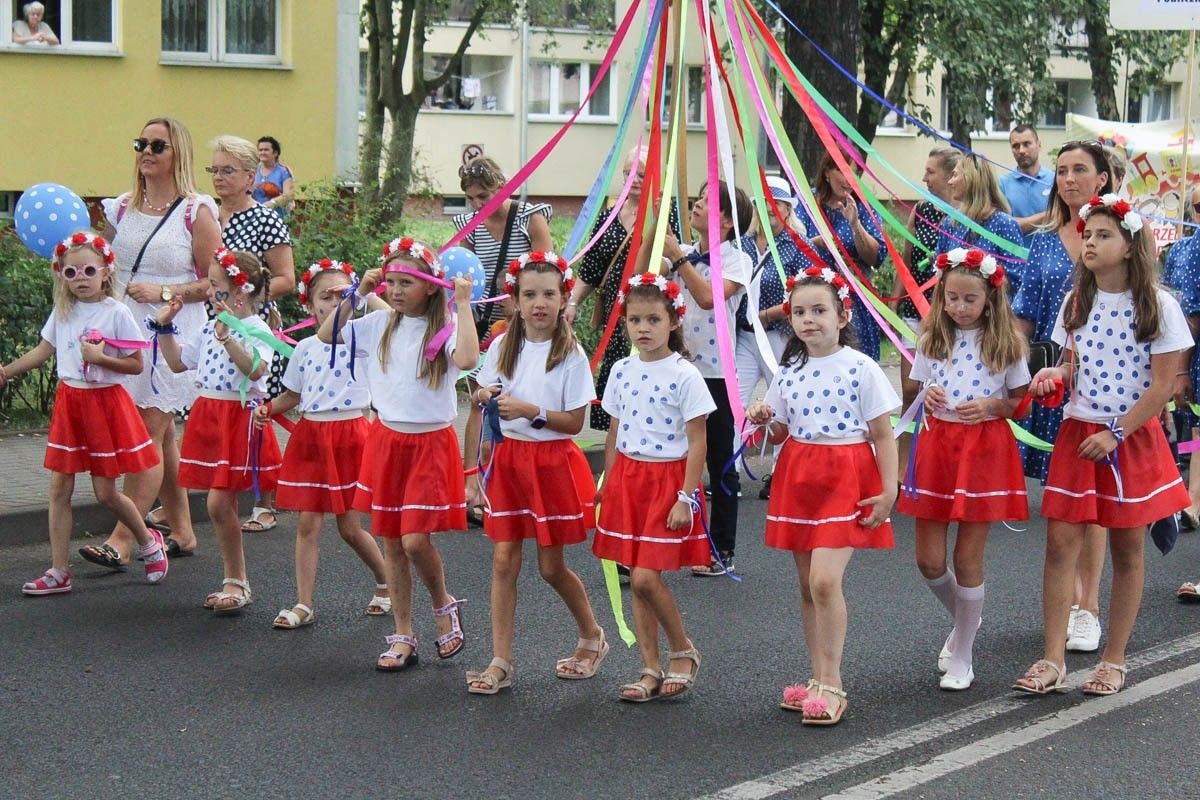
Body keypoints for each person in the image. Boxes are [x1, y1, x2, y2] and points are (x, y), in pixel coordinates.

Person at [1013, 195, 1191, 697]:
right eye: (1087, 235)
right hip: (1078, 433)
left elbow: (1161, 387)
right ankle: (1052, 658)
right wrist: (1054, 373)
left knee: (1127, 549)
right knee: (1058, 546)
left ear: (1132, 246)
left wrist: (1115, 431)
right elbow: (1075, 366)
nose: (1089, 242)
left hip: (1128, 438)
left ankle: (1114, 660)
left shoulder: (1159, 304)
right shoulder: (1076, 301)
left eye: (1103, 235)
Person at [746, 266, 898, 726]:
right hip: (800, 475)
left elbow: (883, 434)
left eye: (819, 310)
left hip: (847, 476)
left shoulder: (862, 366)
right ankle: (815, 678)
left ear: (842, 315)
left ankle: (832, 683)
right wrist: (762, 418)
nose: (808, 320)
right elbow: (781, 429)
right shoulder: (789, 371)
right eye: (799, 312)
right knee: (807, 585)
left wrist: (889, 490)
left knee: (825, 582)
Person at [319, 237, 477, 670]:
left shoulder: (442, 327)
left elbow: (467, 356)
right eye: (390, 282)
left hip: (431, 444)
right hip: (387, 441)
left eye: (406, 282)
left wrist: (462, 304)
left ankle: (443, 604)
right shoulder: (378, 324)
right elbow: (326, 334)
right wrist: (356, 293)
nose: (395, 290)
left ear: (429, 286)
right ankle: (404, 632)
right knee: (392, 543)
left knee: (414, 539)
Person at [83, 117, 222, 568]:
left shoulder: (195, 211)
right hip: (126, 330)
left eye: (157, 145)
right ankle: (181, 529)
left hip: (171, 331)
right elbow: (108, 265)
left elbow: (217, 283)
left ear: (177, 153)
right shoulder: (122, 208)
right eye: (140, 142)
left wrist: (166, 293)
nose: (146, 151)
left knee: (149, 433)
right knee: (160, 440)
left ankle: (126, 538)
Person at [466, 252, 607, 695]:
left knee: (550, 567)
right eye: (529, 294)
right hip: (509, 463)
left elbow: (574, 423)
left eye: (549, 293)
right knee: (504, 559)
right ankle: (500, 661)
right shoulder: (505, 344)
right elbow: (481, 395)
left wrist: (532, 411)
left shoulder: (570, 352)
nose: (539, 303)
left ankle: (592, 635)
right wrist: (483, 398)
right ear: (516, 299)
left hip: (551, 464)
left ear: (565, 297)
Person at [1, 232, 167, 595]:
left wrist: (101, 359)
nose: (80, 279)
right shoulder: (63, 311)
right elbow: (44, 350)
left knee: (106, 493)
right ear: (61, 275)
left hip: (104, 404)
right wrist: (6, 372)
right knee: (59, 487)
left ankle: (147, 540)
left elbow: (136, 364)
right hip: (70, 403)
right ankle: (59, 570)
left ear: (106, 272)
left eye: (88, 270)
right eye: (71, 272)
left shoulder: (117, 312)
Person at [896, 248, 1030, 690]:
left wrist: (993, 405)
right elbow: (918, 390)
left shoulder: (1007, 342)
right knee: (928, 560)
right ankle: (965, 621)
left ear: (989, 299)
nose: (958, 307)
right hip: (937, 446)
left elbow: (1021, 404)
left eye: (969, 300)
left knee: (967, 556)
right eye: (951, 298)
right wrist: (927, 397)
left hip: (983, 449)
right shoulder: (932, 337)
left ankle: (964, 653)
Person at [592, 273, 715, 701]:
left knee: (646, 578)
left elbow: (698, 439)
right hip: (628, 478)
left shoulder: (685, 375)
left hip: (668, 481)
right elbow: (614, 432)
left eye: (653, 319)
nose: (642, 328)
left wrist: (686, 495)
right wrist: (608, 482)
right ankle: (649, 666)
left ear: (674, 322)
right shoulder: (622, 370)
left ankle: (683, 648)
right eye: (634, 320)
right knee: (634, 572)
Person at [1012, 140, 1114, 652]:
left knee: (1092, 502)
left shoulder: (1120, 234)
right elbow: (1024, 316)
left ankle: (1088, 605)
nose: (1069, 179)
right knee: (1061, 505)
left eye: (1080, 170)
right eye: (1062, 171)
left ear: (1102, 179)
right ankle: (1067, 599)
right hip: (1055, 381)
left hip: (1107, 384)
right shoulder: (1046, 241)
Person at [253, 260, 389, 629]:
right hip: (311, 437)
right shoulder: (305, 348)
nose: (333, 302)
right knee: (306, 525)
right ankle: (303, 602)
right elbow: (291, 396)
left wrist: (365, 293)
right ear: (310, 306)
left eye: (341, 295)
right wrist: (267, 409)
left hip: (351, 436)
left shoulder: (365, 339)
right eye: (324, 296)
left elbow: (393, 318)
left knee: (350, 527)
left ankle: (386, 582)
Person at [151, 249, 283, 613]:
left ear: (238, 292)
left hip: (238, 418)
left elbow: (256, 370)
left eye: (215, 285)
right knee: (219, 504)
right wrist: (164, 327)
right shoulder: (211, 327)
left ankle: (236, 581)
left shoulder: (255, 328)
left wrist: (229, 338)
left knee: (218, 503)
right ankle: (235, 579)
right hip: (208, 415)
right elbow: (179, 362)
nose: (209, 292)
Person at [656, 180, 753, 576]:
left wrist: (678, 255)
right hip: (679, 369)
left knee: (718, 460)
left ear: (727, 221)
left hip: (716, 374)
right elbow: (651, 273)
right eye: (697, 199)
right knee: (670, 454)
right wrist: (656, 227)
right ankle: (664, 539)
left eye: (706, 203)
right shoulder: (687, 254)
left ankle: (722, 548)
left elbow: (708, 297)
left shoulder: (736, 259)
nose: (696, 205)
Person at [453, 155, 553, 524]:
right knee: (479, 402)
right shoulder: (468, 224)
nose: (480, 205)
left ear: (503, 187)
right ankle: (472, 489)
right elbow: (459, 270)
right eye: (473, 198)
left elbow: (549, 266)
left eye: (486, 195)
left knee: (525, 400)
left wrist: (522, 303)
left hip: (528, 324)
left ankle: (522, 487)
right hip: (483, 325)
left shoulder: (530, 217)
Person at [208, 134, 297, 533]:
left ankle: (265, 498)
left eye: (228, 170)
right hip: (214, 319)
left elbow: (286, 277)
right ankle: (223, 483)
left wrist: (247, 298)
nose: (219, 178)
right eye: (214, 170)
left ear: (249, 176)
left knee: (256, 409)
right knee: (218, 406)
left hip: (254, 322)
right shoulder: (205, 215)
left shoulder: (265, 218)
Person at [568, 146, 681, 432]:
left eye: (642, 174)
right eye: (629, 173)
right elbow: (591, 268)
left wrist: (660, 220)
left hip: (650, 314)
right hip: (616, 317)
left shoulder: (667, 213)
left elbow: (677, 257)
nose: (634, 179)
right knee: (617, 384)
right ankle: (616, 461)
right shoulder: (611, 214)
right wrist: (571, 303)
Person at [736, 175, 810, 499]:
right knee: (734, 401)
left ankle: (780, 473)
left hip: (778, 336)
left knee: (784, 404)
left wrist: (768, 315)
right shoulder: (743, 243)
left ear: (786, 208)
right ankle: (729, 472)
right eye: (764, 203)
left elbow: (801, 294)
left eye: (777, 203)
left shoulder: (796, 247)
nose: (770, 209)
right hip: (744, 336)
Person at [895, 147, 960, 467]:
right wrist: (895, 305)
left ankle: (934, 461)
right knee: (910, 388)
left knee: (943, 392)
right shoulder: (921, 209)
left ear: (951, 175)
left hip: (950, 314)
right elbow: (905, 260)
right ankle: (902, 464)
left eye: (931, 172)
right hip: (913, 310)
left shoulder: (965, 214)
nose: (924, 178)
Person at [795, 149, 887, 360]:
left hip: (854, 303)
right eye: (842, 172)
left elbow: (876, 256)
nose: (849, 180)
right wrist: (823, 241)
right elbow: (793, 242)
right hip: (813, 299)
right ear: (827, 172)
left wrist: (855, 225)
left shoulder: (863, 205)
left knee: (856, 363)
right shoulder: (808, 201)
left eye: (854, 174)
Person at [1163, 184, 1200, 601]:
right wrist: (1180, 368)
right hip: (1193, 358)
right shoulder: (1183, 251)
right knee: (1196, 434)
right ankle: (1190, 502)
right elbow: (1181, 315)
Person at [936, 154, 1025, 292]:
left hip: (992, 310)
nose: (950, 182)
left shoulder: (1004, 224)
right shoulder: (950, 223)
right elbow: (939, 272)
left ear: (971, 178)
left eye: (955, 175)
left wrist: (974, 288)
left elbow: (1015, 279)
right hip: (955, 310)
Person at [999, 125, 1054, 238]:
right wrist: (1048, 216)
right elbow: (1004, 226)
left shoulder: (1055, 180)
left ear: (1039, 145)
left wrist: (1022, 223)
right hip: (1013, 255)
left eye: (1026, 144)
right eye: (1015, 146)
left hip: (1050, 254)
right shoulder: (1002, 184)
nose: (1021, 151)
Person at [253, 136, 295, 218]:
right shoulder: (254, 170)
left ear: (275, 153)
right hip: (256, 217)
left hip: (277, 218)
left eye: (266, 150)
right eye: (260, 150)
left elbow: (289, 195)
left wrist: (271, 203)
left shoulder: (284, 172)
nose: (262, 152)